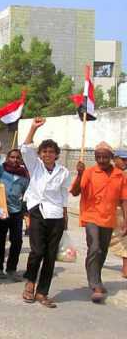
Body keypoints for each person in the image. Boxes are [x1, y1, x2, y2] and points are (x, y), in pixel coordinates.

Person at [20, 117, 70, 308]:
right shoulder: (35, 167)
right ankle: (30, 283)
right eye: (45, 151)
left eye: (51, 152)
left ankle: (43, 292)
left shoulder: (63, 172)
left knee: (50, 255)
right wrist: (33, 128)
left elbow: (64, 195)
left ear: (56, 154)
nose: (48, 154)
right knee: (37, 251)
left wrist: (65, 217)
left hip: (56, 215)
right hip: (38, 212)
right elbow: (25, 148)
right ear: (40, 154)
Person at [70, 142, 127, 303]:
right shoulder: (88, 172)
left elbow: (124, 199)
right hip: (91, 216)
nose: (101, 160)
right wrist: (80, 174)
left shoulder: (119, 175)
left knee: (102, 251)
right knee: (94, 247)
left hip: (109, 219)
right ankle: (95, 285)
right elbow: (75, 192)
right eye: (98, 157)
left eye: (105, 157)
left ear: (111, 158)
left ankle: (97, 278)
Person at [0, 140, 29, 281]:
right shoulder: (1, 170)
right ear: (8, 158)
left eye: (17, 158)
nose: (15, 160)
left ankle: (11, 269)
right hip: (1, 210)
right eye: (12, 157)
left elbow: (26, 193)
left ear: (21, 160)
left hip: (16, 211)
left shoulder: (24, 176)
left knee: (17, 241)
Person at [109, 149, 127, 278]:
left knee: (124, 239)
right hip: (109, 210)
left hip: (121, 210)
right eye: (123, 159)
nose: (125, 162)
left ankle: (125, 268)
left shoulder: (124, 175)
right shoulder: (110, 174)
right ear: (115, 159)